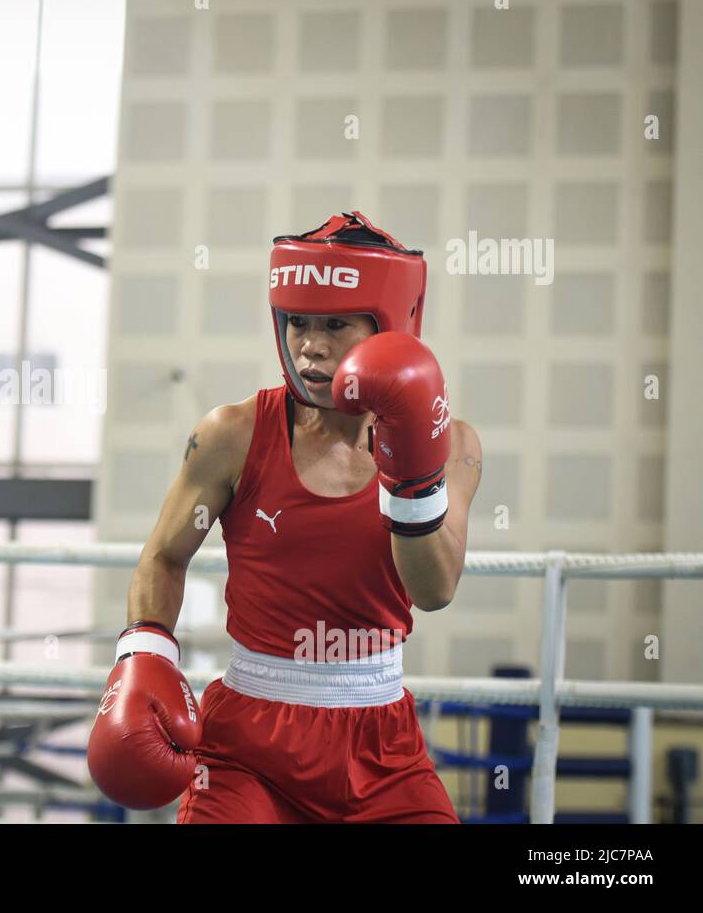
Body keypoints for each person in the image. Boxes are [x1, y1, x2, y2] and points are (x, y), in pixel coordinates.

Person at [88, 211, 481, 822]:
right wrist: (145, 655)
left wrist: (410, 480)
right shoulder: (232, 434)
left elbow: (434, 591)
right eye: (297, 321)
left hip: (383, 745)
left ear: (389, 327)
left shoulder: (450, 446)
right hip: (250, 744)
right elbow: (164, 556)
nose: (310, 345)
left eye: (335, 324)